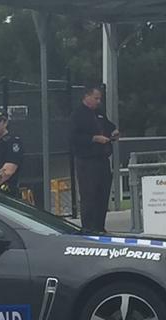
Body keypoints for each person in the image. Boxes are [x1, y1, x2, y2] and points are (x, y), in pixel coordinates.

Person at [70, 86, 119, 232]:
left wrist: (114, 132)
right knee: (89, 195)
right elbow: (73, 137)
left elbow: (109, 126)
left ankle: (100, 226)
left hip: (102, 160)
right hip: (87, 161)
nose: (98, 101)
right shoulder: (77, 115)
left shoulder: (99, 113)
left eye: (100, 99)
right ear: (87, 96)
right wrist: (94, 139)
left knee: (102, 194)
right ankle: (88, 227)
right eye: (96, 98)